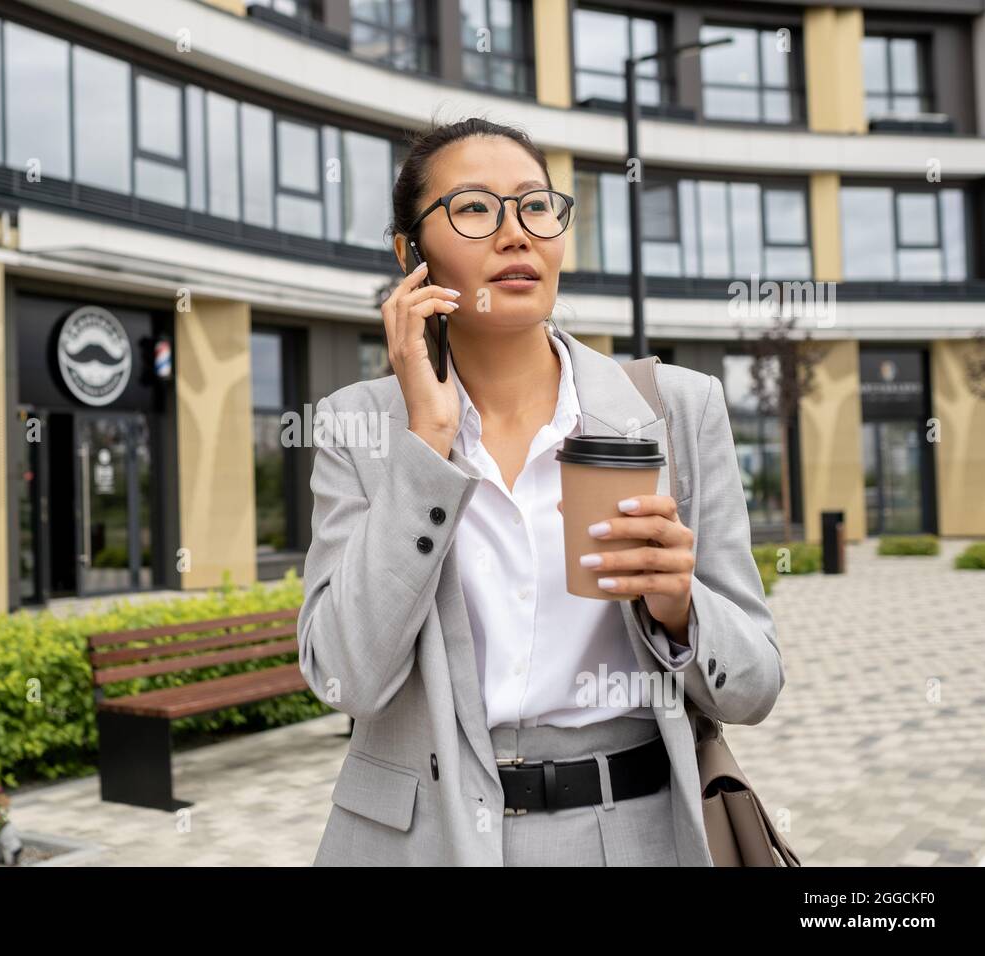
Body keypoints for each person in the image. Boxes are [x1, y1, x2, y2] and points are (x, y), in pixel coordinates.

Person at [297, 117, 786, 866]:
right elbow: (344, 676)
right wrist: (427, 445)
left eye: (536, 206)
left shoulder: (678, 410)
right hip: (424, 839)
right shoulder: (355, 426)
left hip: (630, 834)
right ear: (410, 254)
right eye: (473, 209)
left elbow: (753, 687)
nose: (515, 233)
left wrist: (684, 609)